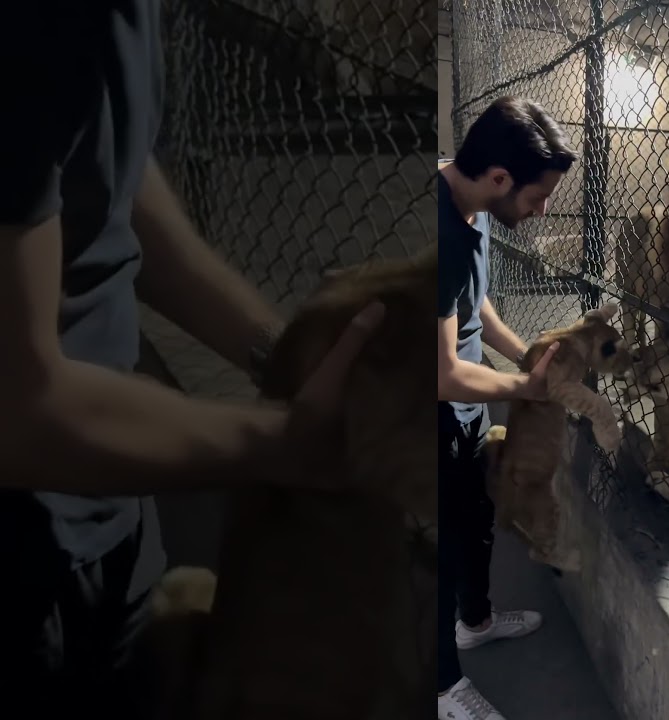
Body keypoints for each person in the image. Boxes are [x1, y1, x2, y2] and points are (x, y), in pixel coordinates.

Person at [0, 3, 383, 716]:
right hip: (23, 556)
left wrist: (279, 351)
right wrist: (287, 445)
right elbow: (19, 413)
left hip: (108, 500)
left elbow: (94, 157)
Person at [436, 95, 579, 720]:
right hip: (435, 414)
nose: (542, 209)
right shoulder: (440, 232)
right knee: (438, 553)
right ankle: (442, 687)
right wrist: (526, 391)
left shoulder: (478, 208)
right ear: (500, 178)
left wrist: (527, 358)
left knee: (474, 525)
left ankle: (476, 621)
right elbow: (442, 375)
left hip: (470, 413)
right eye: (537, 197)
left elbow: (479, 304)